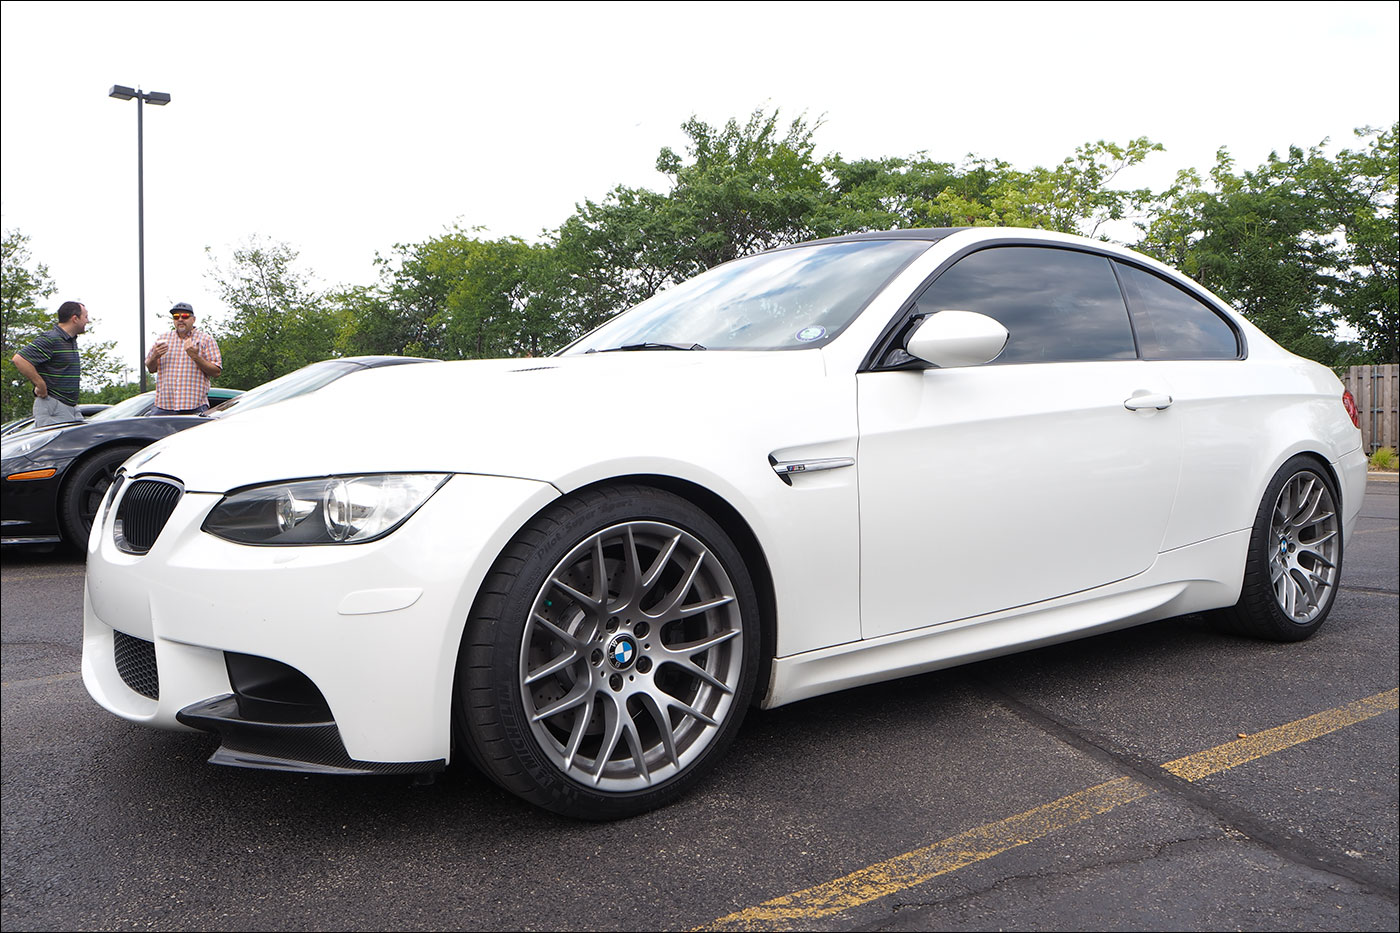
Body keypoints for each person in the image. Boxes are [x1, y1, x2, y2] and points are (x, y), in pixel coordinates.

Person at [11, 300, 90, 428]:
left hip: (70, 407)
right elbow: (19, 359)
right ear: (75, 318)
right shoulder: (51, 338)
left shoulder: (70, 340)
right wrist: (40, 384)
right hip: (53, 406)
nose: (88, 321)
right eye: (85, 317)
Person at [146, 302, 222, 416]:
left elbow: (216, 372)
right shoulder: (163, 339)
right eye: (176, 317)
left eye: (185, 316)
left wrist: (195, 357)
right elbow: (151, 369)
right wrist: (154, 356)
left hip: (194, 407)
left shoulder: (206, 340)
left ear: (193, 319)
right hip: (164, 407)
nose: (180, 319)